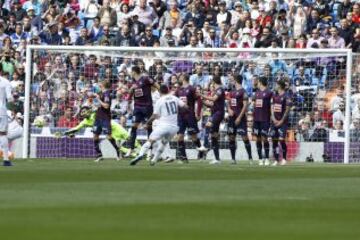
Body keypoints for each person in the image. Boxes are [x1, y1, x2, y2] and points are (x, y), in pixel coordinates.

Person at [130, 84, 186, 166]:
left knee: (151, 140)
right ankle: (154, 160)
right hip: (174, 127)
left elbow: (155, 115)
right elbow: (185, 106)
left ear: (160, 91)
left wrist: (147, 123)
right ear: (168, 90)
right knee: (163, 143)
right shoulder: (175, 98)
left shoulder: (160, 100)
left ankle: (140, 154)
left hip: (163, 125)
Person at [64, 106, 140, 158]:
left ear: (88, 111)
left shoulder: (94, 113)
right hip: (109, 132)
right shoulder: (85, 122)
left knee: (129, 138)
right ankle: (135, 154)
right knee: (117, 145)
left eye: (84, 111)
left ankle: (141, 149)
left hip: (114, 126)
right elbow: (76, 128)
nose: (82, 113)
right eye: (81, 112)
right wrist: (66, 132)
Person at [127, 66, 159, 157]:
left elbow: (157, 85)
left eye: (131, 72)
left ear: (134, 72)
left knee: (148, 128)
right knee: (133, 127)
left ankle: (150, 151)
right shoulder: (133, 82)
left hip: (147, 107)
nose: (130, 73)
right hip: (137, 107)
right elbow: (130, 95)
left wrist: (163, 96)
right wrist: (131, 90)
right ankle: (130, 149)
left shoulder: (145, 78)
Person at [174, 73, 204, 163]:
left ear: (183, 78)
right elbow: (173, 100)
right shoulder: (178, 90)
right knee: (180, 137)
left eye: (180, 77)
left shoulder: (191, 88)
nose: (179, 78)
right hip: (180, 116)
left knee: (193, 137)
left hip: (190, 115)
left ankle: (201, 152)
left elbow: (199, 100)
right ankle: (183, 157)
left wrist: (198, 113)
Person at [92, 81, 120, 162]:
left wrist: (98, 100)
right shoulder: (101, 93)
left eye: (100, 83)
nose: (99, 84)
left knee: (108, 136)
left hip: (105, 118)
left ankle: (117, 151)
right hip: (98, 117)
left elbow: (106, 106)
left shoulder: (107, 94)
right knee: (95, 136)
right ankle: (99, 155)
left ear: (104, 85)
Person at [227, 74, 252, 164]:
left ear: (236, 80)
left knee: (244, 137)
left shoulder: (243, 92)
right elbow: (228, 103)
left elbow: (245, 105)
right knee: (231, 137)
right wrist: (229, 109)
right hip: (231, 118)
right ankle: (233, 159)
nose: (232, 81)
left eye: (233, 80)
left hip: (240, 118)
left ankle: (250, 158)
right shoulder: (232, 91)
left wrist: (239, 117)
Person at [201, 75, 225, 165]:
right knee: (214, 136)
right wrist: (203, 100)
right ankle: (217, 159)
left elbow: (214, 99)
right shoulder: (216, 90)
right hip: (215, 113)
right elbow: (212, 104)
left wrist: (202, 95)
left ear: (214, 82)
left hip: (218, 113)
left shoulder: (220, 90)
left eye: (212, 83)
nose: (211, 84)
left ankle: (205, 146)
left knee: (208, 125)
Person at [270, 79, 291, 166]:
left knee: (281, 140)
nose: (275, 86)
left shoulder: (286, 96)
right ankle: (276, 159)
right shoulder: (274, 96)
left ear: (279, 86)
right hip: (274, 122)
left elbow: (287, 110)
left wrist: (281, 121)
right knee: (274, 141)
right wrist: (273, 118)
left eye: (276, 84)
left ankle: (284, 159)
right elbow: (272, 107)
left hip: (283, 122)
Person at [253, 76, 272, 166]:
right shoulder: (257, 93)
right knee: (258, 139)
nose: (257, 83)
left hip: (265, 118)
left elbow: (271, 105)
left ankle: (267, 158)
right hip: (256, 119)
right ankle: (260, 158)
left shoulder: (269, 93)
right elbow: (254, 104)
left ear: (260, 82)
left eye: (258, 81)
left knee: (264, 138)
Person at [0, 75, 13, 166]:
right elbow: (9, 98)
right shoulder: (6, 82)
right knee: (2, 134)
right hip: (1, 111)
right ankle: (6, 159)